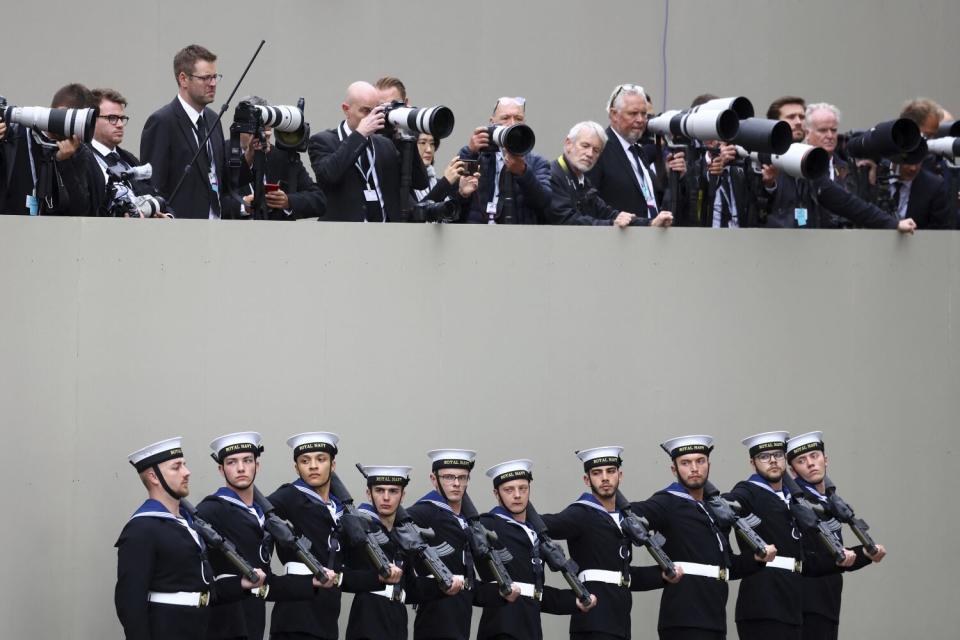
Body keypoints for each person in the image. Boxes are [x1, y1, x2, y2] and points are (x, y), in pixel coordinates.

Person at [115, 437, 265, 640]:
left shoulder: (189, 524)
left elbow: (202, 588)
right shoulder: (142, 528)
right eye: (176, 467)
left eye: (184, 465)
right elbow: (130, 603)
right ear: (154, 477)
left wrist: (240, 585)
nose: (187, 472)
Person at [629, 435, 776, 640]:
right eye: (686, 463)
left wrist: (755, 559)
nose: (694, 468)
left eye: (700, 461)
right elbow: (631, 515)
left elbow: (727, 567)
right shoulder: (666, 502)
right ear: (674, 470)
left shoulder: (713, 510)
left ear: (708, 465)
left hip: (714, 619)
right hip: (683, 621)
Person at [196, 432, 330, 640]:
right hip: (222, 626)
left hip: (253, 624)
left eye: (247, 460)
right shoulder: (211, 510)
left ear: (257, 466)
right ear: (221, 469)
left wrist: (312, 582)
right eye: (232, 462)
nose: (241, 468)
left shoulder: (262, 516)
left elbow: (268, 583)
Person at [267, 432, 400, 640]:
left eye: (320, 459)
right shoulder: (290, 496)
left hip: (327, 622)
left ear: (333, 465)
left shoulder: (342, 511)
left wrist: (379, 578)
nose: (313, 466)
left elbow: (345, 574)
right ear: (296, 468)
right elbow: (255, 516)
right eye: (305, 461)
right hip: (294, 618)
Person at [725, 432, 856, 640]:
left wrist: (862, 554)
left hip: (795, 602)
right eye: (764, 456)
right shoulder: (748, 490)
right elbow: (728, 504)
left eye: (777, 454)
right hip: (765, 603)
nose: (773, 461)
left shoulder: (791, 498)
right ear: (753, 463)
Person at [541, 446, 677, 640]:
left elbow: (624, 575)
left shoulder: (624, 519)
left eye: (610, 471)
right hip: (593, 624)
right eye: (597, 473)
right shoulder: (580, 514)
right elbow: (546, 524)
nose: (605, 478)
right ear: (587, 480)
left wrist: (662, 576)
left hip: (620, 623)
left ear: (620, 475)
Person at [476, 459, 597, 640]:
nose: (517, 495)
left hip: (530, 628)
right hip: (501, 628)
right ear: (496, 493)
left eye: (523, 488)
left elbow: (535, 592)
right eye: (509, 490)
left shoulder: (534, 532)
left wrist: (574, 602)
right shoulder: (486, 525)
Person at [405, 449, 519, 640]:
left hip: (460, 619)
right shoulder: (423, 512)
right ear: (434, 479)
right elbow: (393, 528)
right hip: (434, 618)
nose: (456, 484)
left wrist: (501, 594)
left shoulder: (466, 521)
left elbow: (470, 586)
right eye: (449, 477)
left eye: (462, 477)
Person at [344, 465, 464, 640]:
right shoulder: (358, 528)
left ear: (402, 496)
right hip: (368, 619)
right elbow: (341, 577)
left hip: (398, 619)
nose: (386, 497)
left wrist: (443, 586)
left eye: (393, 491)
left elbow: (411, 588)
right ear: (369, 494)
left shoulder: (402, 536)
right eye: (379, 490)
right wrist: (377, 578)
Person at [786, 432, 886, 640]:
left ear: (826, 459)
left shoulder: (829, 500)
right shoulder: (796, 503)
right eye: (801, 461)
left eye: (815, 456)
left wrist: (866, 554)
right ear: (792, 470)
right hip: (805, 603)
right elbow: (814, 556)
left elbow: (836, 554)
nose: (811, 464)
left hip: (828, 600)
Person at [308, 81, 429, 222]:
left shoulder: (385, 144)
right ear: (346, 109)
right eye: (365, 111)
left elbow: (420, 182)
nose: (372, 117)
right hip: (344, 236)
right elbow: (328, 176)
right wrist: (360, 134)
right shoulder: (323, 141)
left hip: (386, 234)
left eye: (375, 110)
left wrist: (405, 138)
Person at [141, 44, 238, 219]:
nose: (213, 84)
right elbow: (153, 186)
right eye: (205, 78)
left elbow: (222, 179)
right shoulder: (162, 122)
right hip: (182, 232)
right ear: (183, 79)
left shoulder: (214, 119)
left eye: (215, 77)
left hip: (219, 229)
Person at [587, 84, 685, 224]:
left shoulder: (637, 150)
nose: (640, 120)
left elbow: (649, 200)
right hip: (617, 241)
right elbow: (590, 205)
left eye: (644, 114)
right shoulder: (599, 149)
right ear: (614, 114)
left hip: (649, 239)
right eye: (633, 113)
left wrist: (671, 178)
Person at [548, 120, 671, 227]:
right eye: (585, 146)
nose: (590, 154)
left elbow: (607, 213)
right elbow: (567, 220)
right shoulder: (553, 175)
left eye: (596, 150)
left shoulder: (583, 181)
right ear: (568, 144)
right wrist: (612, 224)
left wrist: (650, 223)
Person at [1, 83, 100, 216]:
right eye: (78, 122)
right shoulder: (14, 135)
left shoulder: (78, 151)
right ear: (61, 111)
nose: (78, 131)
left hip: (50, 232)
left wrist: (64, 163)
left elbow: (81, 210)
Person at [457, 97, 552, 224]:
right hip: (477, 236)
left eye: (518, 119)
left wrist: (523, 172)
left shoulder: (536, 162)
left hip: (518, 238)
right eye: (505, 118)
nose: (512, 124)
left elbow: (545, 204)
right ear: (492, 123)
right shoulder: (474, 154)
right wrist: (471, 152)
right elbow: (454, 198)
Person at [233, 95, 326, 220]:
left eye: (264, 127)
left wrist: (288, 201)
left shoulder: (283, 157)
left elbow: (319, 200)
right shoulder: (222, 152)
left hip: (279, 236)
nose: (256, 135)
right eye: (251, 129)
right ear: (239, 127)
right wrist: (243, 205)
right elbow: (212, 200)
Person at [88, 88, 171, 218]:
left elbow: (155, 197)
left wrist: (166, 217)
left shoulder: (129, 159)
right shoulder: (83, 159)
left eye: (122, 118)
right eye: (112, 118)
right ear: (91, 119)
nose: (120, 124)